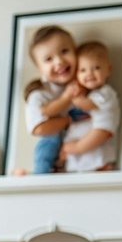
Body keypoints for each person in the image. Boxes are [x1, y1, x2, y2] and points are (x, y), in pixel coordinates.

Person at [19, 25, 84, 175]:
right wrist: (67, 115)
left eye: (65, 51)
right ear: (39, 69)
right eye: (48, 59)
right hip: (52, 151)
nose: (59, 61)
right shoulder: (39, 94)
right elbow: (38, 128)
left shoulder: (85, 83)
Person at [59, 42, 121, 172]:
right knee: (85, 149)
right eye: (83, 70)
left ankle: (100, 165)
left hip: (102, 128)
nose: (90, 74)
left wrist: (73, 96)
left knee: (82, 147)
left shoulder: (106, 92)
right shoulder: (91, 93)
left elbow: (88, 105)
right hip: (97, 129)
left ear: (109, 69)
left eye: (96, 68)